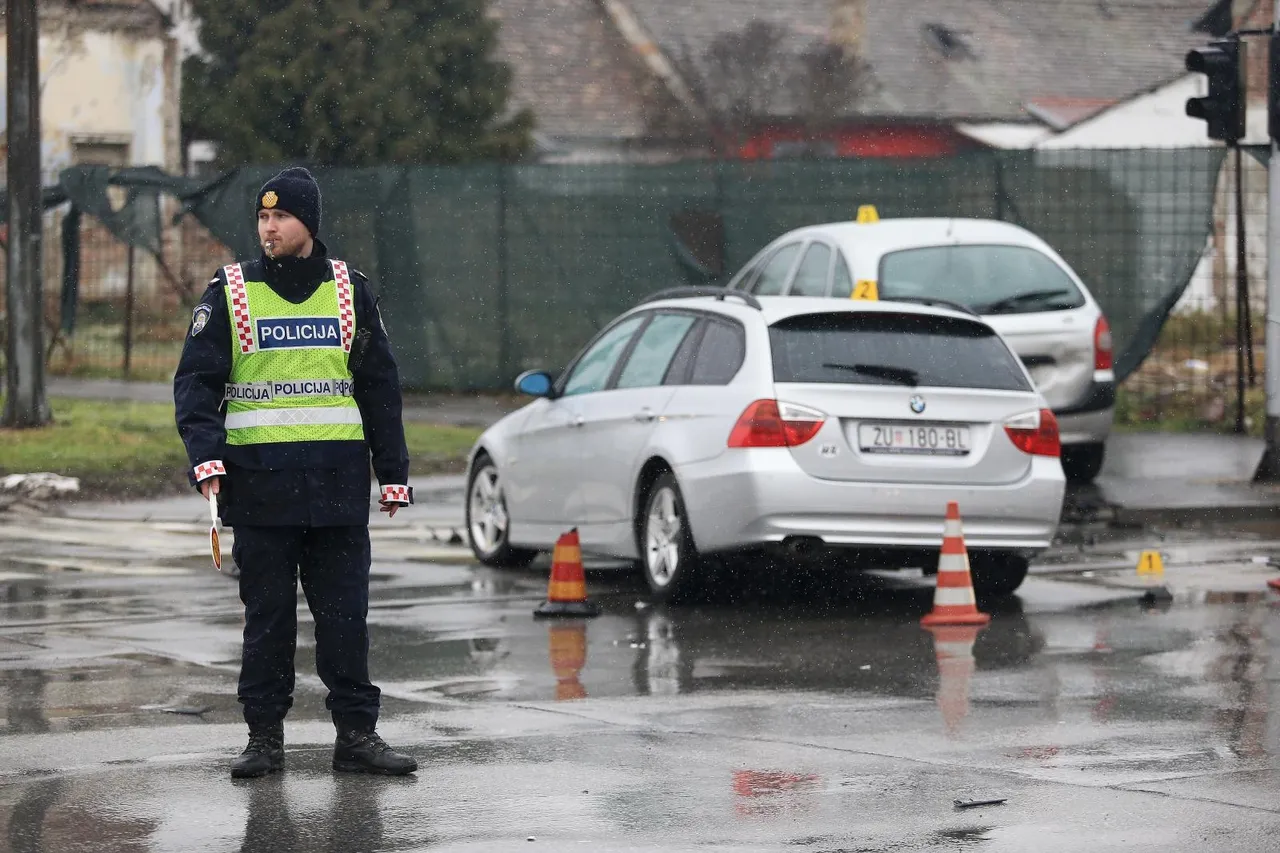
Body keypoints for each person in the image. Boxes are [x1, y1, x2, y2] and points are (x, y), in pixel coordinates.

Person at [174, 166, 417, 778]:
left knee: (346, 621)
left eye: (280, 217)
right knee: (268, 622)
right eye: (262, 217)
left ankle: (357, 736)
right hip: (259, 489)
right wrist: (206, 459)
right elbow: (196, 384)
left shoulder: (350, 290)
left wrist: (393, 472)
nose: (268, 228)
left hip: (336, 490)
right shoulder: (230, 291)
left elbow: (379, 387)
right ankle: (263, 740)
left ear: (308, 223)